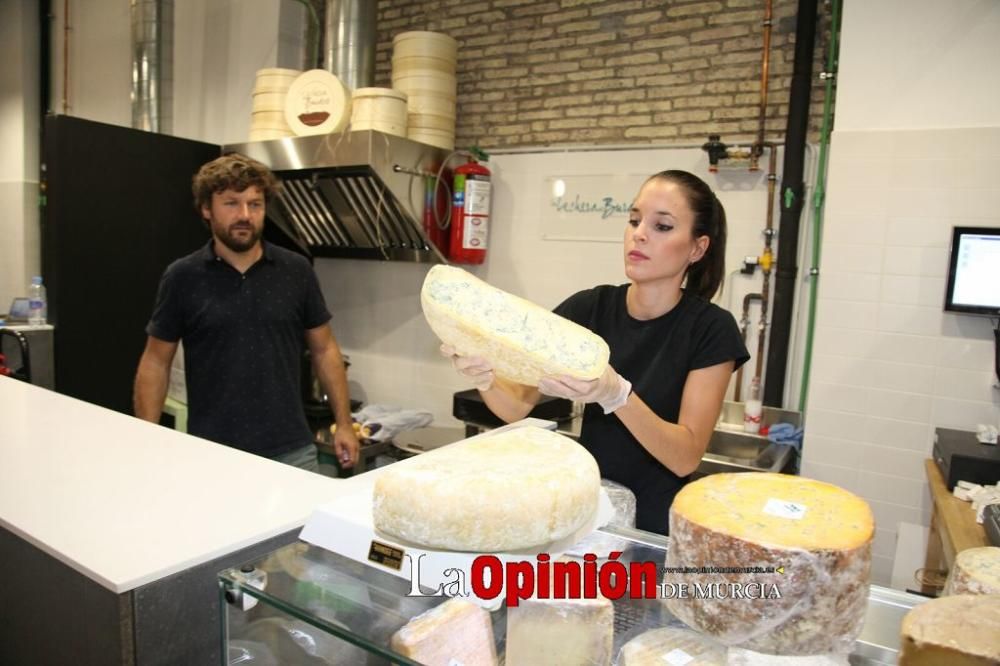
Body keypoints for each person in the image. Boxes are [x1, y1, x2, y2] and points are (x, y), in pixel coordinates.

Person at [443, 170, 749, 535]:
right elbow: (517, 406)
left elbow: (685, 457)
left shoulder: (711, 329)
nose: (639, 233)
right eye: (634, 220)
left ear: (698, 248)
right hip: (589, 517)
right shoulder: (590, 308)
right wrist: (487, 376)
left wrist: (617, 395)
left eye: (662, 226)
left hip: (655, 531)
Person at [133, 153, 359, 471]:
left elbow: (324, 349)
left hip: (292, 451)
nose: (245, 215)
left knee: (300, 523)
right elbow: (156, 361)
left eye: (255, 204)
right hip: (211, 454)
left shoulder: (296, 270)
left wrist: (344, 424)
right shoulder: (183, 276)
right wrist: (147, 436)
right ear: (206, 209)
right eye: (231, 203)